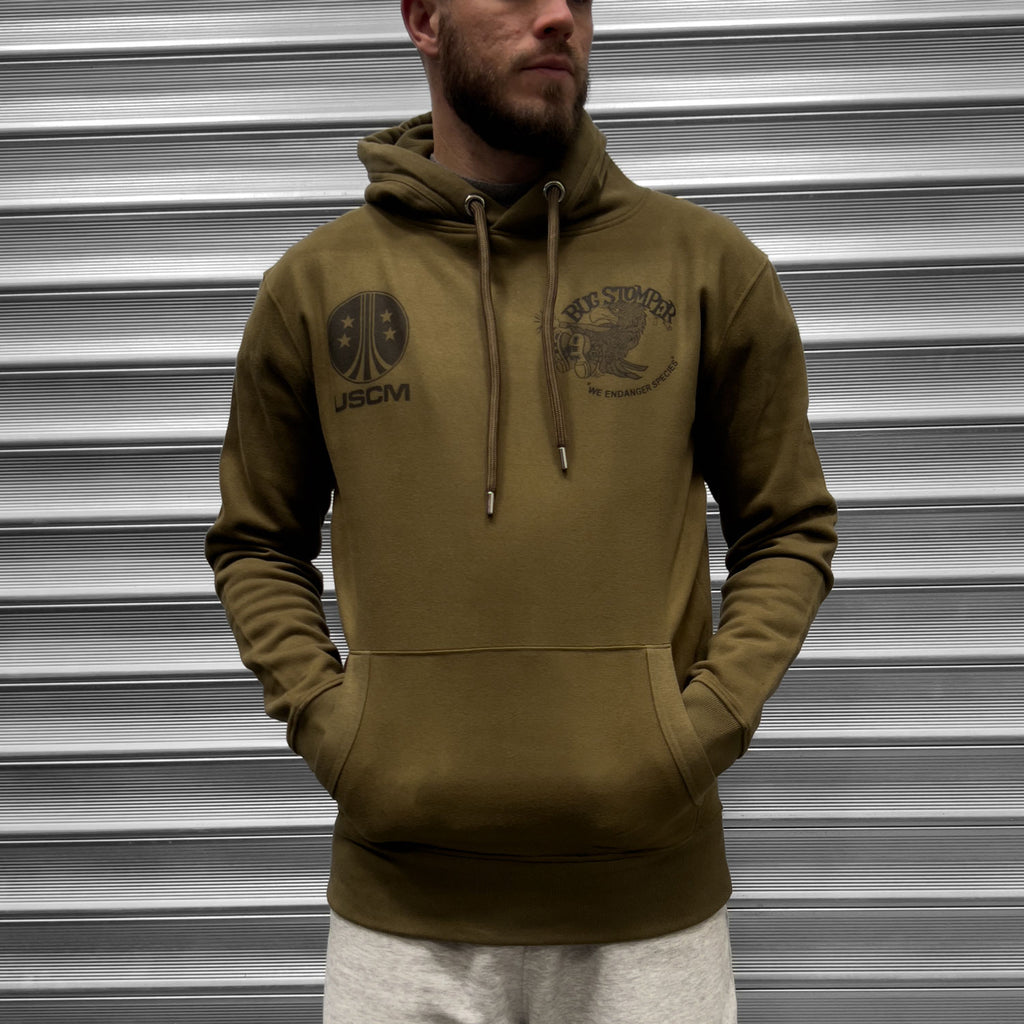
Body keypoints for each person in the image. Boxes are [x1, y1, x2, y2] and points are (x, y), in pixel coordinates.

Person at [205, 1, 838, 1020]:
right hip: (402, 917)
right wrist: (337, 729)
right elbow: (257, 543)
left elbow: (787, 528)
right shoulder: (316, 288)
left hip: (649, 911)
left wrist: (700, 726)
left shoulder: (707, 267)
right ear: (424, 18)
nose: (557, 17)